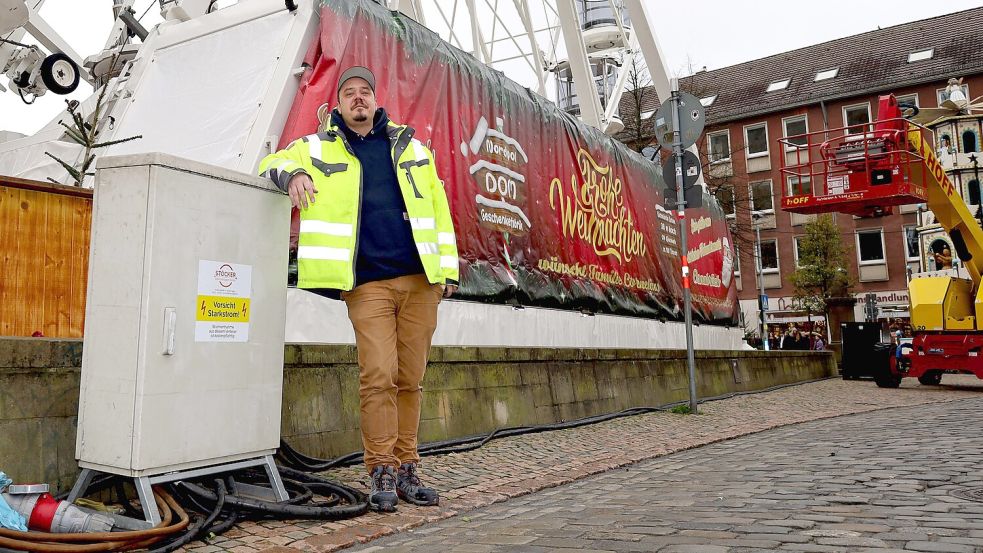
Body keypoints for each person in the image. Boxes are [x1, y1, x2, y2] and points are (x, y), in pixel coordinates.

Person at [259, 67, 459, 513]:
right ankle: (381, 467)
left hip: (420, 282)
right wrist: (294, 175)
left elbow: (439, 210)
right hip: (366, 284)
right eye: (348, 93)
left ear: (375, 100)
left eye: (364, 91)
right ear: (339, 104)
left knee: (410, 379)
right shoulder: (316, 146)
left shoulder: (411, 148)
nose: (357, 98)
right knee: (378, 376)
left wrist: (446, 271)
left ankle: (407, 468)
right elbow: (269, 162)